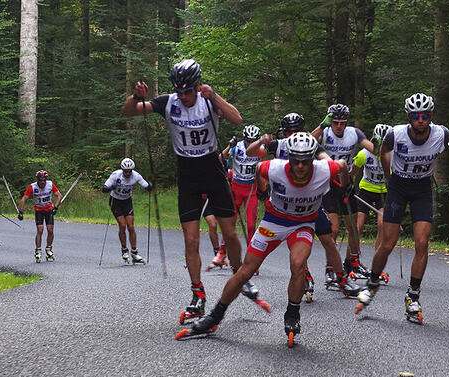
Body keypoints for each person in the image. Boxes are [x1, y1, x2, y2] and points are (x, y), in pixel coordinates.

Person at [176, 132, 354, 342]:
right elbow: (258, 168)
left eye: (305, 161)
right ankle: (214, 317)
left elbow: (342, 165)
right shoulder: (275, 168)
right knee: (246, 271)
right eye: (295, 160)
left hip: (303, 223)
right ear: (289, 158)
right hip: (274, 221)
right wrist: (262, 189)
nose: (300, 166)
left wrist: (346, 187)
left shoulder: (324, 170)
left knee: (298, 264)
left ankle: (292, 313)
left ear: (312, 159)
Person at [121, 59, 260, 323]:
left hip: (213, 169)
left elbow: (237, 119)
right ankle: (198, 294)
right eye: (179, 91)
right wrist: (136, 96)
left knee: (230, 233)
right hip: (187, 173)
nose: (183, 96)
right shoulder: (168, 102)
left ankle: (240, 276)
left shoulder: (207, 99)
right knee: (191, 239)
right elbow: (129, 112)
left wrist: (215, 96)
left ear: (197, 86)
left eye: (188, 91)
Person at [355, 93, 449, 324]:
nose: (421, 120)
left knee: (422, 242)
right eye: (416, 116)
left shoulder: (440, 133)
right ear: (409, 117)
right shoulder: (396, 134)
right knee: (388, 244)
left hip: (421, 188)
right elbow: (383, 151)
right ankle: (372, 284)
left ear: (430, 116)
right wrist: (389, 176)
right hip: (398, 187)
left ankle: (413, 296)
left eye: (425, 116)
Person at [247, 113, 360, 302]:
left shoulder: (311, 144)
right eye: (289, 131)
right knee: (298, 245)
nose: (293, 134)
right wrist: (260, 141)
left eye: (297, 130)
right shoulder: (278, 144)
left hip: (309, 201)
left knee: (328, 238)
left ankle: (342, 278)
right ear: (284, 132)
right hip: (284, 204)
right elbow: (251, 154)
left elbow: (328, 161)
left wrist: (340, 181)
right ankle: (305, 276)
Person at [310, 104, 380, 280]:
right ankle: (331, 270)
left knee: (353, 228)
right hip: (327, 184)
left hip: (346, 183)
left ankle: (352, 263)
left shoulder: (354, 133)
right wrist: (322, 126)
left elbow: (373, 149)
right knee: (333, 228)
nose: (339, 126)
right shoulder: (325, 132)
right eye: (335, 122)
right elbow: (306, 143)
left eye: (342, 122)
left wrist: (378, 145)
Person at [210, 125, 265, 269]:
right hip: (236, 188)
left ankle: (251, 259)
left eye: (253, 140)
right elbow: (220, 158)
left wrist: (263, 187)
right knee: (230, 223)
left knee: (251, 225)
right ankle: (222, 253)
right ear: (244, 138)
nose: (250, 143)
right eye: (248, 140)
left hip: (251, 190)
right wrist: (230, 145)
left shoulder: (261, 149)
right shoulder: (238, 147)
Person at [350, 124, 390, 262]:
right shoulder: (364, 154)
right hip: (366, 191)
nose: (381, 146)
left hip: (383, 193)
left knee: (382, 224)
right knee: (358, 226)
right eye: (379, 142)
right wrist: (346, 186)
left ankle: (377, 262)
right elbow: (351, 172)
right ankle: (353, 259)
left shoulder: (392, 155)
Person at [102, 158, 152, 264]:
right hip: (115, 201)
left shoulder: (136, 176)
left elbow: (145, 185)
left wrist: (149, 187)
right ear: (122, 170)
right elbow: (104, 189)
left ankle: (134, 253)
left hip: (127, 201)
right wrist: (111, 187)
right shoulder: (116, 175)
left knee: (130, 226)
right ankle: (124, 250)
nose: (128, 173)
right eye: (126, 171)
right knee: (122, 225)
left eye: (130, 171)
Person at [17, 170, 63, 262]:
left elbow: (59, 196)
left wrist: (56, 207)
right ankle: (38, 251)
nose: (42, 182)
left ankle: (49, 249)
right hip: (39, 210)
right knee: (40, 230)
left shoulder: (50, 184)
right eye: (40, 180)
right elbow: (24, 198)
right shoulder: (33, 186)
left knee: (50, 230)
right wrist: (21, 211)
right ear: (37, 180)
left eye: (44, 180)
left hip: (49, 209)